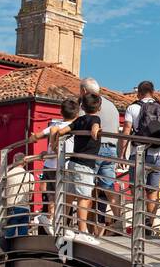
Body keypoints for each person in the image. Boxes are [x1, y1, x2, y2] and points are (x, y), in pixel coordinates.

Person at [47, 93, 103, 243]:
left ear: (82, 107)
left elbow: (61, 131)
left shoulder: (78, 120)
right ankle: (82, 231)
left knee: (70, 196)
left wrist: (53, 143)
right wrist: (95, 132)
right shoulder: (95, 119)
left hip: (72, 162)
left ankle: (63, 226)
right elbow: (95, 128)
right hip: (85, 165)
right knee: (84, 198)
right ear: (99, 107)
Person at [121, 80, 160, 233]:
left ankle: (138, 222)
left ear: (138, 92)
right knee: (153, 192)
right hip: (158, 155)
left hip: (138, 154)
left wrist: (122, 154)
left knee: (137, 189)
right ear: (153, 92)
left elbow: (126, 131)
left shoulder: (132, 108)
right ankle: (149, 225)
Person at [80, 77, 122, 233]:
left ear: (84, 91)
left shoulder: (85, 104)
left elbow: (79, 123)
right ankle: (118, 219)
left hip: (94, 149)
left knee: (87, 187)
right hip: (111, 149)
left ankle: (83, 226)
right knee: (108, 186)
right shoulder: (112, 106)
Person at [32, 98, 79, 232]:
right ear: (76, 114)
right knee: (65, 196)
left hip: (49, 165)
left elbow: (38, 135)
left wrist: (33, 138)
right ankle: (62, 224)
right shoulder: (76, 127)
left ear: (60, 112)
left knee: (51, 195)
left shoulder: (55, 125)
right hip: (66, 165)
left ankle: (51, 219)